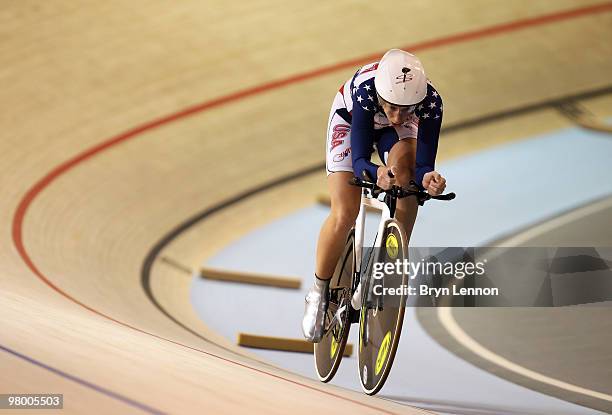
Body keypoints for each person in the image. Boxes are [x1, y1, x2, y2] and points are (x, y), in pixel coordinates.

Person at [302, 49, 447, 342]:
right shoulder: (367, 91)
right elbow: (358, 163)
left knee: (407, 182)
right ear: (382, 94)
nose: (397, 116)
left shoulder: (430, 103)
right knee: (345, 213)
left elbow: (422, 167)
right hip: (350, 119)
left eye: (406, 109)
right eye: (392, 107)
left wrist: (427, 179)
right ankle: (318, 292)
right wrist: (375, 172)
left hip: (392, 136)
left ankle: (390, 261)